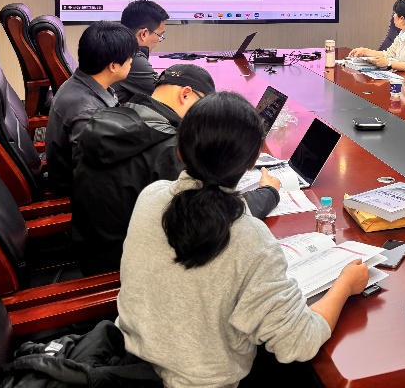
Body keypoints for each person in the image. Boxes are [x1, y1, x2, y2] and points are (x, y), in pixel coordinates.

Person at [117, 92, 369, 388]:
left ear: (180, 150)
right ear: (252, 163)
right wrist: (345, 284)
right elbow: (300, 342)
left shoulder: (151, 197)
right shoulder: (249, 239)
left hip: (129, 365)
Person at [71, 64, 282, 275]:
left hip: (89, 249)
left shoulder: (111, 116)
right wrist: (269, 193)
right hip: (126, 268)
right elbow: (214, 216)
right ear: (185, 94)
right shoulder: (168, 150)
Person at [45, 21, 137, 192]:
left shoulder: (81, 82)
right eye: (129, 57)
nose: (131, 61)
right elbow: (93, 176)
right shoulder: (88, 113)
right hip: (79, 193)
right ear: (113, 66)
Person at [348, 0, 405, 72]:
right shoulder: (403, 33)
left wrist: (389, 63)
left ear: (402, 19)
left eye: (395, 13)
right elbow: (389, 54)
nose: (393, 16)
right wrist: (364, 51)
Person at [114, 0, 170, 104]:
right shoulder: (131, 57)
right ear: (143, 34)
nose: (159, 40)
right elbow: (168, 97)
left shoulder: (115, 47)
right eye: (159, 35)